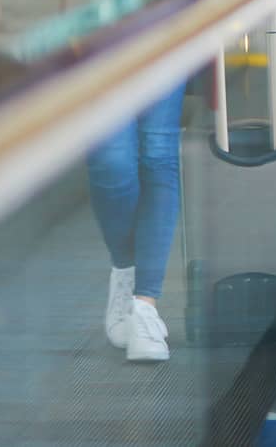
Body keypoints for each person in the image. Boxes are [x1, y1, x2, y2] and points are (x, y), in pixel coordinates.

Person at [87, 82, 187, 362]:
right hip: (94, 46)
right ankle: (124, 269)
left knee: (158, 152)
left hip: (162, 40)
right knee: (111, 159)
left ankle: (145, 304)